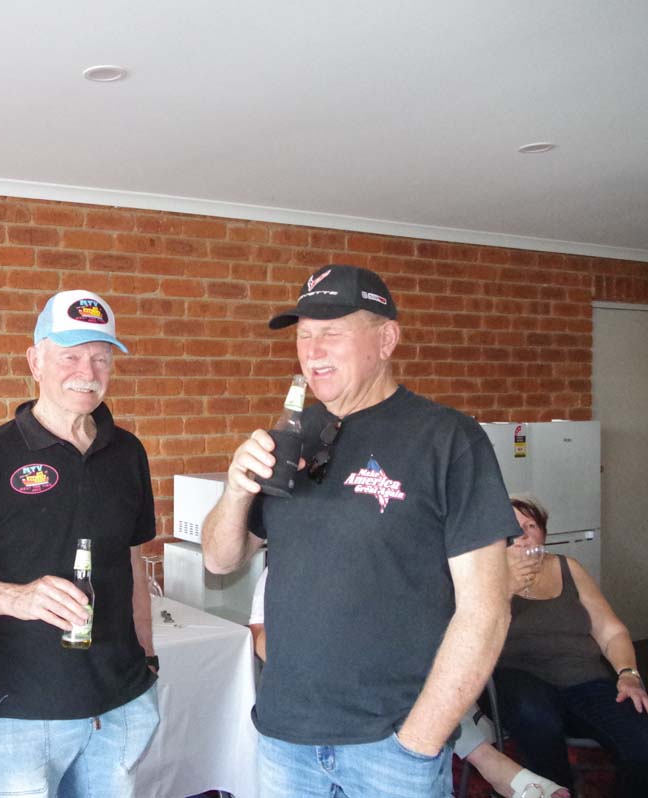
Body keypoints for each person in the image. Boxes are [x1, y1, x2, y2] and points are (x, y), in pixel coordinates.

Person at [202, 263, 516, 797]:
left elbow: (486, 609)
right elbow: (219, 559)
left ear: (386, 339)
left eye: (332, 332)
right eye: (304, 335)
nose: (313, 350)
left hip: (390, 746)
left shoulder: (447, 439)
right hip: (285, 739)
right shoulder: (294, 436)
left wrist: (419, 740)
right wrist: (235, 489)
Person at [0, 289, 160, 798]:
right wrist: (17, 598)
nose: (87, 371)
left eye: (101, 357)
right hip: (20, 712)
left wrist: (148, 659)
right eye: (70, 356)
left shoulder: (128, 453)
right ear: (35, 361)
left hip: (119, 706)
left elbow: (132, 562)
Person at [249, 567, 569, 798]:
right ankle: (488, 759)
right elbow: (259, 634)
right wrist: (316, 662)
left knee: (421, 678)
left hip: (390, 690)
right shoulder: (282, 566)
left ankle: (485, 757)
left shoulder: (380, 561)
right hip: (318, 691)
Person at [494, 494, 648, 797]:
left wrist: (628, 673)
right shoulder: (482, 575)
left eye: (531, 525)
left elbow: (610, 630)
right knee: (536, 716)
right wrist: (507, 588)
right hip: (518, 678)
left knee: (641, 740)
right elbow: (471, 637)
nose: (523, 535)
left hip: (584, 679)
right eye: (512, 527)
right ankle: (557, 790)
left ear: (543, 533)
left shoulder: (568, 567)